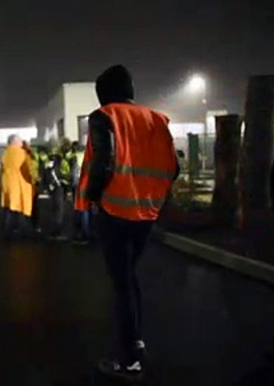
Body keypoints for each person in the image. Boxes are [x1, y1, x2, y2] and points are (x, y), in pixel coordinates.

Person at [76, 65, 179, 381]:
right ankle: (137, 340)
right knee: (129, 278)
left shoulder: (104, 116)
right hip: (147, 214)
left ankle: (131, 359)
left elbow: (103, 163)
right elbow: (173, 167)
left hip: (116, 213)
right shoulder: (157, 119)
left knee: (121, 285)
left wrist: (93, 197)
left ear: (103, 92)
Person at [0, 134, 35, 239]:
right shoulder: (22, 153)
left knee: (10, 210)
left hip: (8, 187)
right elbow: (30, 169)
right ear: (15, 142)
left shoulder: (5, 154)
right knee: (21, 211)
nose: (21, 143)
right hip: (21, 186)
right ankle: (24, 234)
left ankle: (8, 233)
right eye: (20, 141)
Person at [71, 141, 92, 244]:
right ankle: (89, 233)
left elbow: (74, 174)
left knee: (82, 210)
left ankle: (84, 235)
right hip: (90, 184)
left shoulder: (77, 157)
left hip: (81, 185)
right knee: (89, 209)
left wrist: (74, 186)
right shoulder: (92, 155)